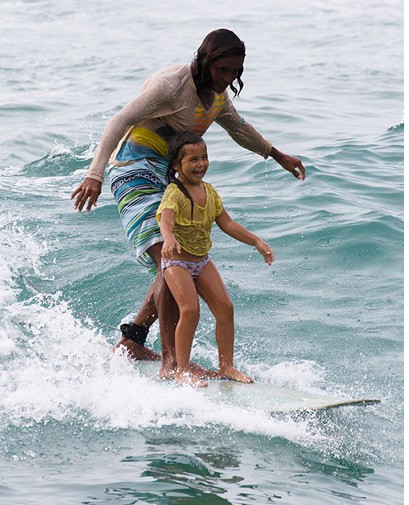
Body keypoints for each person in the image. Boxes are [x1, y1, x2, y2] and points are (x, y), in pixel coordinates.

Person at [69, 29, 304, 378]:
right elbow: (120, 121)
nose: (227, 78)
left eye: (234, 72)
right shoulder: (170, 87)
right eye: (222, 70)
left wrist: (277, 155)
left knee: (174, 263)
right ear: (205, 61)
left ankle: (133, 340)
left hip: (169, 176)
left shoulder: (217, 98)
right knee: (171, 259)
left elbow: (241, 130)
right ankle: (171, 363)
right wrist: (95, 175)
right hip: (134, 171)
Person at [157, 132, 273, 387]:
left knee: (225, 308)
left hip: (201, 260)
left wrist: (256, 241)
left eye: (204, 158)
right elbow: (166, 221)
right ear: (176, 165)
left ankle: (227, 366)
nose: (201, 164)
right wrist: (168, 238)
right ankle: (182, 370)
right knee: (189, 310)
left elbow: (228, 224)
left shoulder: (209, 192)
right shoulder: (174, 193)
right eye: (193, 160)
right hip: (177, 262)